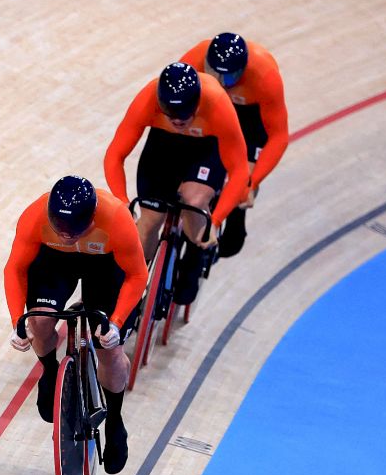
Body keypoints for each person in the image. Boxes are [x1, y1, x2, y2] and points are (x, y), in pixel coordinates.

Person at [3, 175, 147, 474]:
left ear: (92, 217)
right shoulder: (35, 216)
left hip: (104, 267)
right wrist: (18, 321)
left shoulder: (117, 218)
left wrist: (117, 323)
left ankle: (116, 420)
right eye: (61, 228)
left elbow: (137, 276)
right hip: (56, 262)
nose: (68, 235)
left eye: (76, 229)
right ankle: (50, 370)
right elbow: (15, 269)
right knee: (40, 321)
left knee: (108, 346)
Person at [102, 62, 250, 305]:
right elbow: (115, 155)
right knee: (148, 223)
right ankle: (134, 285)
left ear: (198, 104)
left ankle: (195, 254)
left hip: (205, 150)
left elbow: (240, 170)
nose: (178, 120)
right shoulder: (148, 98)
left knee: (194, 201)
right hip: (164, 148)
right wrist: (123, 203)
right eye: (170, 113)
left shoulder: (217, 103)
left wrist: (216, 219)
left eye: (184, 115)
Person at [179, 32, 289, 257]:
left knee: (242, 180)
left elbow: (278, 136)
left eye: (227, 79)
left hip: (249, 118)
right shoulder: (194, 60)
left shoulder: (265, 77)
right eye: (213, 73)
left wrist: (251, 182)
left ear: (242, 72)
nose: (219, 83)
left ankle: (236, 213)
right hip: (212, 109)